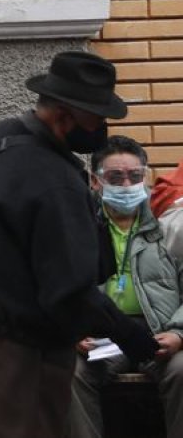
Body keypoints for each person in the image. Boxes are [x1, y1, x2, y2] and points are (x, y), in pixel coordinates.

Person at [0, 51, 159, 438]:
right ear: (67, 115)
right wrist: (128, 334)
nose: (102, 127)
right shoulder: (54, 181)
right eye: (97, 117)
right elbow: (70, 290)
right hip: (23, 349)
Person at [69, 135, 183, 437]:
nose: (127, 185)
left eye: (135, 176)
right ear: (95, 181)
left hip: (160, 332)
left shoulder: (168, 225)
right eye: (115, 177)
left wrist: (178, 333)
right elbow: (61, 287)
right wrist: (74, 330)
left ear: (146, 176)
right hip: (102, 338)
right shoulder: (78, 227)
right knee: (69, 372)